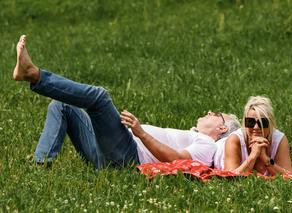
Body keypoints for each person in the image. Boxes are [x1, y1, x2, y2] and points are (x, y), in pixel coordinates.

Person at [13, 35, 241, 169]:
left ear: (221, 128)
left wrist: (140, 133)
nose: (210, 111)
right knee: (61, 105)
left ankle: (34, 74)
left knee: (100, 98)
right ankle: (41, 165)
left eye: (216, 114)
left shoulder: (207, 145)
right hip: (109, 151)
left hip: (127, 156)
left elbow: (177, 160)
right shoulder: (193, 135)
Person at [214, 96, 292, 175]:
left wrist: (265, 158)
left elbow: (289, 176)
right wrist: (253, 155)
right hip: (215, 145)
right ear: (244, 123)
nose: (256, 127)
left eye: (262, 122)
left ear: (270, 124)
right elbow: (231, 176)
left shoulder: (279, 139)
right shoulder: (233, 139)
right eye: (250, 122)